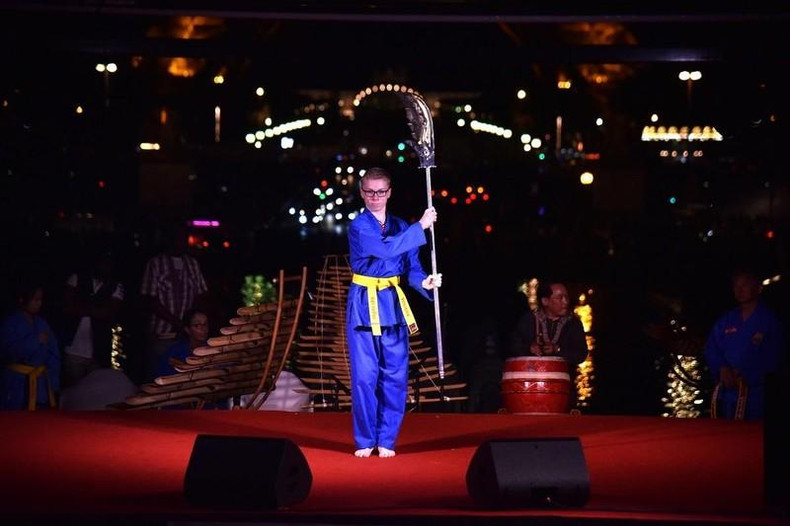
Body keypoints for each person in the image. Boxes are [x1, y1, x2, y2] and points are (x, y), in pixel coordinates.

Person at [346, 167, 441, 458]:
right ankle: (365, 439)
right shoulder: (359, 226)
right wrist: (421, 226)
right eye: (369, 192)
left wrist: (424, 282)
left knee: (396, 376)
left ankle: (386, 439)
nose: (375, 197)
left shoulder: (401, 226)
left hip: (393, 305)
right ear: (362, 193)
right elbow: (386, 251)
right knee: (364, 377)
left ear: (389, 193)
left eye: (381, 192)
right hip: (364, 305)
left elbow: (411, 266)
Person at [703, 267, 786, 420]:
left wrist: (744, 373)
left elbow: (774, 357)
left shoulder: (770, 321)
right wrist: (721, 368)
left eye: (745, 285)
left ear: (758, 288)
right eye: (736, 286)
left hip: (757, 395)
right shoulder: (725, 321)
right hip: (728, 395)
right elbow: (711, 349)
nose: (739, 290)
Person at [140, 222, 209, 382]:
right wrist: (177, 322)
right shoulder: (155, 264)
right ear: (168, 239)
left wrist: (193, 324)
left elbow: (202, 293)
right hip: (162, 336)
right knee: (159, 381)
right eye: (177, 237)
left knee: (184, 380)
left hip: (186, 337)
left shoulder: (192, 264)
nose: (181, 241)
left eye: (184, 237)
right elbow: (150, 299)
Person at [60, 248, 125, 388]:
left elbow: (110, 312)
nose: (105, 266)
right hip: (73, 350)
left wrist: (84, 308)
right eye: (102, 262)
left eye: (108, 263)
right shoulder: (76, 278)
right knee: (73, 392)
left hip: (99, 351)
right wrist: (96, 309)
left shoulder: (116, 286)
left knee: (94, 393)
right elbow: (68, 308)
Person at [0, 279, 60, 409]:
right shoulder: (11, 323)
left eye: (40, 300)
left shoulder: (43, 324)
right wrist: (35, 341)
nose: (39, 303)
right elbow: (8, 351)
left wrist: (53, 382)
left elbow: (53, 354)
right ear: (22, 299)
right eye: (35, 299)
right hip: (16, 385)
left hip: (41, 386)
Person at [508, 279, 589, 367]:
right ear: (545, 301)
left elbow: (581, 355)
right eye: (559, 298)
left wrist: (557, 349)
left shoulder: (573, 323)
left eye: (566, 297)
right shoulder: (529, 320)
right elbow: (510, 346)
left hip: (562, 377)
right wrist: (529, 348)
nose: (565, 302)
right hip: (532, 374)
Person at [154, 308, 209, 378]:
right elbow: (162, 376)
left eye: (205, 324)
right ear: (187, 330)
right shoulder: (175, 352)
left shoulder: (216, 350)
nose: (203, 329)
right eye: (197, 325)